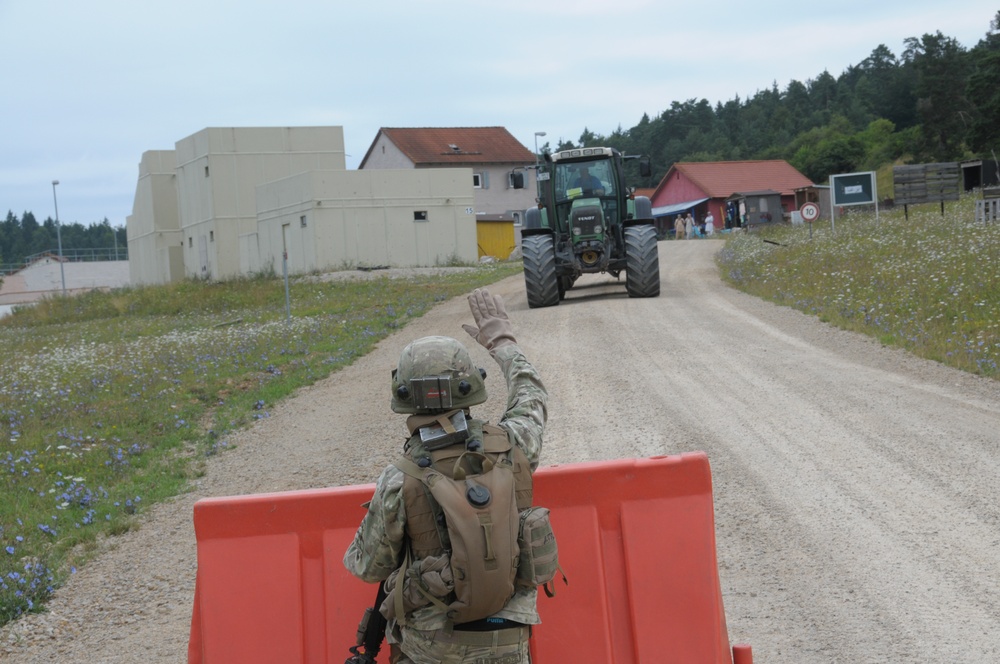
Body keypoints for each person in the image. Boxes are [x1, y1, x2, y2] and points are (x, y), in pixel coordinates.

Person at [344, 288, 548, 664]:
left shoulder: (398, 480)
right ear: (471, 386)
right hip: (508, 639)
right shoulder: (514, 443)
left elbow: (367, 567)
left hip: (432, 647)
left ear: (404, 396)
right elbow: (531, 395)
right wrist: (501, 339)